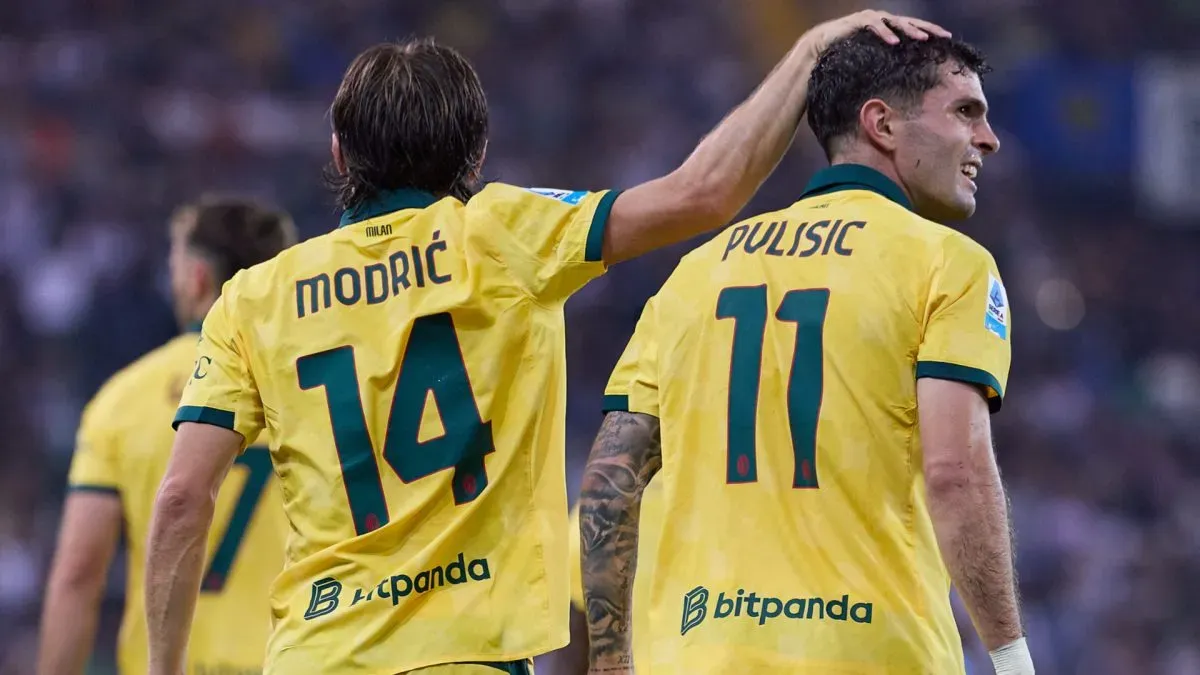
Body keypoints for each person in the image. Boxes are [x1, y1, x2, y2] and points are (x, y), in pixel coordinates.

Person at [146, 12, 948, 675]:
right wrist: (809, 52)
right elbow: (705, 193)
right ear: (477, 157)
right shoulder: (504, 232)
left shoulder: (252, 298)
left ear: (338, 153)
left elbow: (183, 500)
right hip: (469, 657)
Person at [580, 28, 1035, 675]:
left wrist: (609, 660)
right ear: (881, 124)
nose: (987, 138)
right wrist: (1013, 659)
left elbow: (608, 484)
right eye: (966, 111)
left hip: (693, 656)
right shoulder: (949, 264)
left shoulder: (695, 273)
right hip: (873, 654)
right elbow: (954, 473)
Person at [38, 197, 296, 675]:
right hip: (292, 661)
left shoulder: (121, 400)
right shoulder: (317, 383)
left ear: (197, 278)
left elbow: (79, 575)